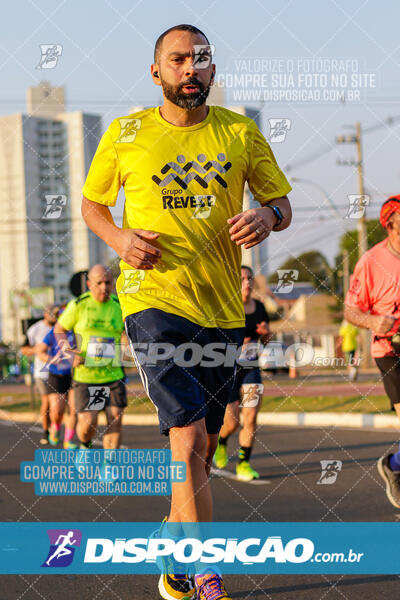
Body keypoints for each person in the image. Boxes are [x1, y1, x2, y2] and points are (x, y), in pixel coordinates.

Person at [80, 24, 292, 600]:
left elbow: (281, 202)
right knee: (189, 434)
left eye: (200, 60)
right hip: (152, 300)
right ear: (158, 72)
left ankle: (175, 551)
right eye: (178, 60)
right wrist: (121, 240)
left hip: (221, 308)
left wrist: (267, 218)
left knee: (203, 442)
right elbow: (93, 205)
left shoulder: (239, 132)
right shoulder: (126, 134)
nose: (190, 68)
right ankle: (206, 576)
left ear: (212, 72)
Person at [344, 195, 400, 509]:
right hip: (389, 350)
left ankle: (393, 464)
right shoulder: (371, 261)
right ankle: (393, 465)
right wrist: (374, 321)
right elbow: (351, 312)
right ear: (390, 223)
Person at [53, 265, 127, 450]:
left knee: (115, 419)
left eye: (108, 282)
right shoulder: (79, 305)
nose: (104, 287)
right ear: (89, 284)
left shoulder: (119, 306)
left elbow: (126, 334)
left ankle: (109, 465)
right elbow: (59, 330)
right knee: (89, 423)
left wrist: (128, 345)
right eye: (99, 283)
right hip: (87, 376)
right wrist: (68, 351)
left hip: (113, 375)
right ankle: (85, 444)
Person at [214, 265, 271, 481]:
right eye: (242, 279)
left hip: (251, 369)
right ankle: (221, 441)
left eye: (250, 278)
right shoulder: (227, 307)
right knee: (232, 422)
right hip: (228, 369)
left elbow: (266, 340)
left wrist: (265, 334)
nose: (247, 282)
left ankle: (243, 463)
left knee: (251, 417)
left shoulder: (260, 307)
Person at [35, 312, 77, 448]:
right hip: (56, 375)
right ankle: (56, 426)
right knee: (57, 410)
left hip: (74, 375)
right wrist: (52, 360)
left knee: (73, 408)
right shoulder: (52, 333)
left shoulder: (77, 331)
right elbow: (40, 352)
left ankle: (68, 440)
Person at [20, 305, 58, 445]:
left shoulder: (61, 327)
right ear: (45, 314)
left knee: (57, 404)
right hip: (41, 372)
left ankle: (55, 427)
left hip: (59, 371)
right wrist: (37, 350)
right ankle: (45, 431)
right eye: (52, 313)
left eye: (56, 313)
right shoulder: (35, 329)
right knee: (47, 402)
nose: (54, 315)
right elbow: (24, 349)